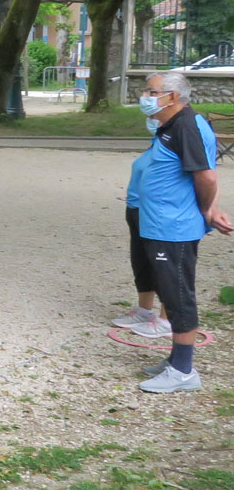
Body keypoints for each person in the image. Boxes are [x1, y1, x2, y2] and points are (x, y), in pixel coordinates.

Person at [131, 71, 232, 393]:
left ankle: (184, 372)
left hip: (172, 228)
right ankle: (176, 359)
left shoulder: (186, 125)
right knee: (171, 293)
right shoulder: (173, 125)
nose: (145, 96)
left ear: (172, 97)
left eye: (151, 91)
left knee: (177, 298)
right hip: (160, 224)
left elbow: (208, 177)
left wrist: (207, 211)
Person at [111, 116, 171, 338]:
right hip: (137, 208)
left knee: (163, 264)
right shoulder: (157, 141)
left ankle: (167, 319)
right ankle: (145, 310)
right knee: (141, 261)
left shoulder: (178, 139)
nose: (151, 120)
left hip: (157, 212)